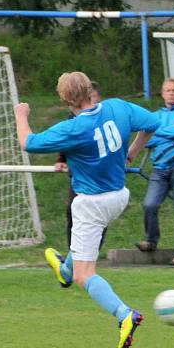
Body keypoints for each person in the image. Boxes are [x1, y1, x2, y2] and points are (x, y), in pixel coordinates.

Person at [18, 71, 159, 348]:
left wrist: (21, 114)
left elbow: (29, 143)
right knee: (79, 254)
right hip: (119, 197)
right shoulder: (118, 106)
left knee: (86, 274)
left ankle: (124, 314)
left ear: (66, 99)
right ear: (89, 90)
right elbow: (153, 123)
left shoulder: (73, 128)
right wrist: (131, 151)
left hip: (91, 204)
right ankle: (65, 269)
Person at [135, 78, 174, 265]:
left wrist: (157, 132)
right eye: (168, 90)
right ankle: (151, 241)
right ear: (162, 93)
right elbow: (147, 141)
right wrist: (166, 133)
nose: (171, 93)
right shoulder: (154, 115)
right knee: (149, 205)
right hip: (159, 168)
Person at [54, 80, 105, 249]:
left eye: (94, 97)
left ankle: (92, 252)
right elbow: (65, 141)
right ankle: (73, 253)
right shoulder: (73, 119)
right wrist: (61, 160)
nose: (92, 101)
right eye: (89, 97)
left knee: (98, 217)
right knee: (72, 211)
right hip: (79, 176)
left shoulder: (106, 117)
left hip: (100, 177)